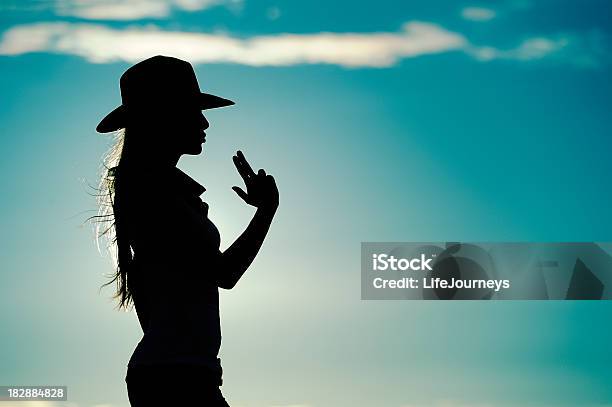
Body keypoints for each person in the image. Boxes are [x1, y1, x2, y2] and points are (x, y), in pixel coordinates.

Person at [94, 55, 279, 406]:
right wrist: (267, 212)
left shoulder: (154, 191)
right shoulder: (155, 195)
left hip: (180, 373)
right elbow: (224, 273)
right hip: (177, 377)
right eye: (193, 110)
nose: (205, 122)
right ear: (164, 117)